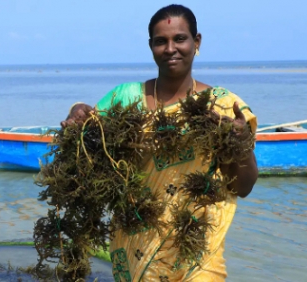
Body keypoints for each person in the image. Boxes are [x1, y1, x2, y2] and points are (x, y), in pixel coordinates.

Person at [61, 4, 258, 281]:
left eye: (180, 38)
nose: (170, 48)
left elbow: (243, 187)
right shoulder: (124, 98)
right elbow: (87, 138)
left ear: (196, 42)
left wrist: (240, 145)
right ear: (151, 46)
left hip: (198, 251)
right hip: (135, 248)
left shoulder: (223, 105)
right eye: (160, 41)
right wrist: (77, 112)